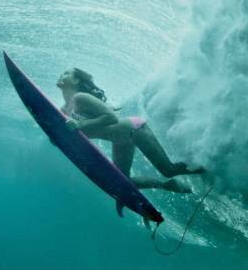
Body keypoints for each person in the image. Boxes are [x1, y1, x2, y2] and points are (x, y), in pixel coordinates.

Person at [57, 68, 204, 193]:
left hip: (134, 130)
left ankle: (207, 167)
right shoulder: (64, 110)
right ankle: (165, 185)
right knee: (123, 181)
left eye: (66, 73)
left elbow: (111, 117)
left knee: (168, 170)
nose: (61, 75)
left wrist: (81, 124)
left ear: (76, 81)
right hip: (120, 140)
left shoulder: (80, 98)